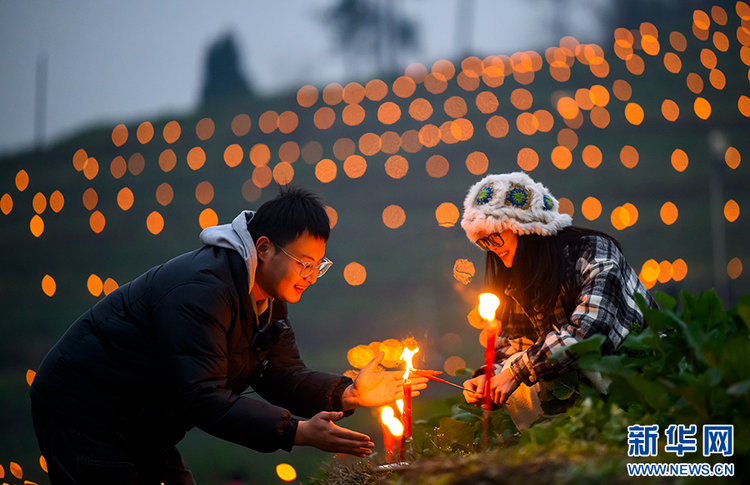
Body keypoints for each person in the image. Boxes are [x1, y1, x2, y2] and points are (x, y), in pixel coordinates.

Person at [30, 185, 428, 485]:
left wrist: (347, 393)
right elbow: (204, 397)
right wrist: (298, 432)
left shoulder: (267, 296)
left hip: (141, 422)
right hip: (86, 413)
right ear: (264, 247)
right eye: (303, 263)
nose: (310, 276)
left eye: (318, 265)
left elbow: (278, 372)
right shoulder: (202, 289)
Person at [459, 172, 656, 413]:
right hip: (582, 384)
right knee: (519, 367)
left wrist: (515, 372)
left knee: (527, 368)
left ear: (524, 227)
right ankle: (557, 436)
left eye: (496, 236)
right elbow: (513, 348)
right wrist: (490, 377)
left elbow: (589, 335)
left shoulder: (593, 251)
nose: (492, 248)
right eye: (484, 241)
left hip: (640, 371)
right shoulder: (516, 276)